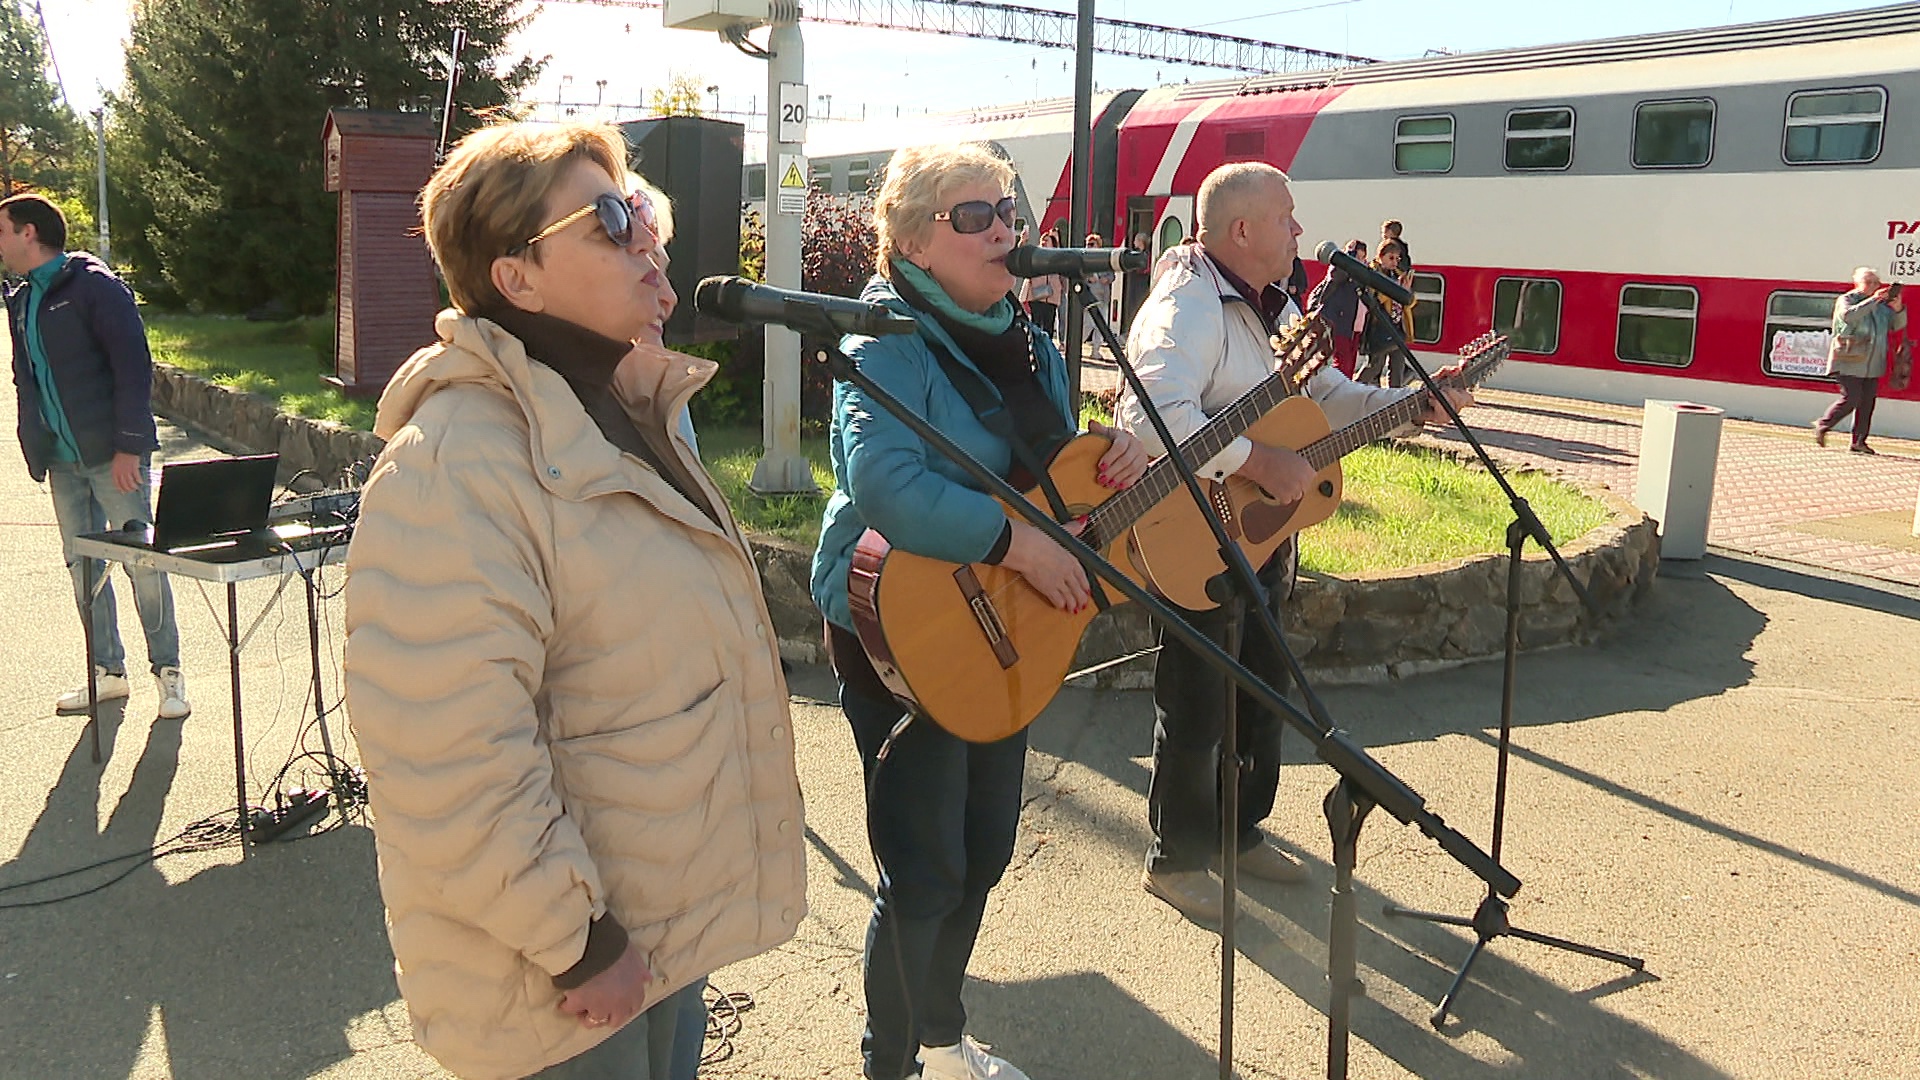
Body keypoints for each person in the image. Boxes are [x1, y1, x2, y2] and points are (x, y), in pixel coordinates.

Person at [342, 121, 806, 1080]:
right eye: (607, 220)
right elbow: (448, 758)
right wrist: (578, 939)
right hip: (559, 979)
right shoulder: (454, 466)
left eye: (641, 212)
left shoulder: (625, 409)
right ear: (517, 278)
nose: (644, 237)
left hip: (656, 931)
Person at [811, 142, 1149, 1080]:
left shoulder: (1031, 344)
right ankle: (891, 1065)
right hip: (899, 624)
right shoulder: (882, 340)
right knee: (924, 871)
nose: (1004, 226)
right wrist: (1017, 545)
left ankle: (939, 1037)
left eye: (1008, 208)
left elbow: (1040, 485)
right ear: (914, 243)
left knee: (987, 846)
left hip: (1007, 626)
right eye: (974, 214)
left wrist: (1107, 456)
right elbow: (883, 482)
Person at [1118, 162, 1471, 926]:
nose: (1301, 231)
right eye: (1288, 217)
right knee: (1196, 704)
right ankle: (1177, 859)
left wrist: (1413, 405)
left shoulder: (1270, 305)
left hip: (1259, 539)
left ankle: (1238, 834)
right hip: (1192, 537)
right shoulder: (1188, 305)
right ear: (1242, 230)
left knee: (1262, 694)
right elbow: (1148, 415)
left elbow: (1325, 399)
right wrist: (1256, 462)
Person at [1, 192, 189, 722]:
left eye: (2, 231)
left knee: (143, 565)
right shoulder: (23, 298)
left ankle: (169, 673)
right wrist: (32, 440)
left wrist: (130, 444)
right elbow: (26, 378)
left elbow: (133, 365)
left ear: (29, 233)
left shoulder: (93, 287)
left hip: (113, 458)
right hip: (63, 462)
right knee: (84, 567)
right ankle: (108, 673)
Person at [1814, 266, 1907, 453]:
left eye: (1876, 282)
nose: (1873, 285)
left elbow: (1896, 326)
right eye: (1869, 282)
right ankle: (1823, 424)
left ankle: (1859, 442)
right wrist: (1873, 299)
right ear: (1857, 283)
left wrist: (1898, 309)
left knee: (1867, 403)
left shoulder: (1882, 307)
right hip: (1849, 359)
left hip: (1873, 363)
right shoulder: (1847, 300)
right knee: (1852, 398)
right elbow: (1849, 316)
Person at [1355, 238, 1416, 387]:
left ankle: (1394, 399)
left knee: (1398, 367)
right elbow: (1373, 299)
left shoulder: (1397, 275)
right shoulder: (1373, 273)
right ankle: (1353, 387)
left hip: (1397, 327)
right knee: (1375, 365)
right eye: (1391, 258)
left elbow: (1410, 302)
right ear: (1380, 257)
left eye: (1397, 258)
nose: (1394, 262)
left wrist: (1405, 292)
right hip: (1380, 327)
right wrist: (1393, 289)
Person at [1305, 240, 1367, 376]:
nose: (1360, 262)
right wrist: (1349, 257)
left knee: (1349, 362)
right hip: (1339, 322)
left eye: (1362, 258)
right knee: (1340, 361)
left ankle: (1346, 388)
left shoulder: (1360, 273)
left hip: (1353, 324)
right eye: (1358, 257)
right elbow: (1334, 278)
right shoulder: (1340, 267)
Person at [1017, 229, 1063, 339]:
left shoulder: (1058, 257)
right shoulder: (1034, 254)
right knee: (1035, 323)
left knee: (1048, 325)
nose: (1044, 242)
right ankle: (1035, 347)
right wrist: (1023, 241)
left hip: (1051, 297)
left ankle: (1047, 349)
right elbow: (1020, 254)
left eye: (1047, 240)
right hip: (1036, 295)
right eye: (1042, 240)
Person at [1082, 231, 1116, 345]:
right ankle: (1075, 345)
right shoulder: (1083, 260)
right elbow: (1080, 276)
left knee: (1101, 325)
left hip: (1103, 297)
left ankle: (1096, 351)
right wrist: (1088, 278)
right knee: (1087, 324)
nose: (1089, 247)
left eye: (1092, 244)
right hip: (1089, 297)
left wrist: (1107, 279)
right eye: (1087, 244)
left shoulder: (1105, 259)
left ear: (1098, 245)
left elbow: (1112, 275)